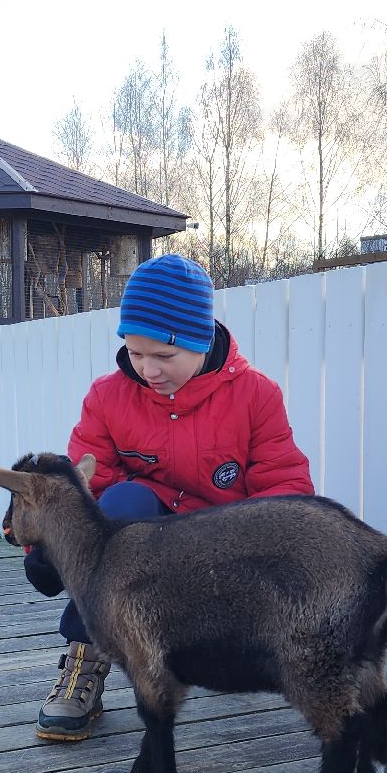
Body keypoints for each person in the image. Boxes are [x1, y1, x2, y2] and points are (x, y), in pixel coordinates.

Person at [23, 254, 314, 740]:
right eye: (136, 354)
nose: (148, 370)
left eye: (163, 356)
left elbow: (284, 490)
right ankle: (83, 662)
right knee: (120, 506)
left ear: (200, 342)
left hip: (221, 549)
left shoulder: (256, 397)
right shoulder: (108, 397)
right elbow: (82, 490)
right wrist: (46, 548)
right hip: (145, 542)